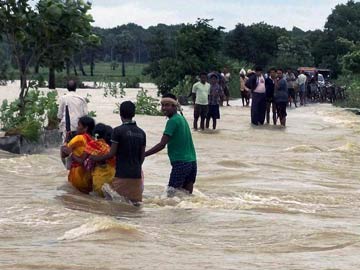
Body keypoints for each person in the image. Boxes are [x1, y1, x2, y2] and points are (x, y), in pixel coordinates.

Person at [90, 101, 146, 203]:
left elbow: (112, 153)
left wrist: (95, 158)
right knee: (135, 207)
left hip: (122, 175)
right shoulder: (142, 133)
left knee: (116, 206)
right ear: (134, 114)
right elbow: (142, 157)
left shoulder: (118, 131)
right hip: (137, 176)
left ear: (120, 114)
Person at [145, 93, 197, 195]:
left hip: (180, 163)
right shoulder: (182, 119)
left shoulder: (172, 121)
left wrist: (143, 154)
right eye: (163, 105)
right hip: (192, 163)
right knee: (186, 197)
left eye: (167, 105)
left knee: (171, 196)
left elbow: (162, 144)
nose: (164, 108)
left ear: (174, 106)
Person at [61, 116, 95, 194]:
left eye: (79, 125)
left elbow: (64, 153)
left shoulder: (79, 138)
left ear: (85, 128)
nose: (77, 127)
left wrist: (66, 140)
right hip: (89, 176)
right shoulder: (93, 139)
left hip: (78, 175)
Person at [82, 123, 116, 197]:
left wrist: (71, 154)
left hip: (99, 174)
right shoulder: (108, 147)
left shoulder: (92, 144)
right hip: (111, 174)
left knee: (98, 198)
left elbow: (82, 159)